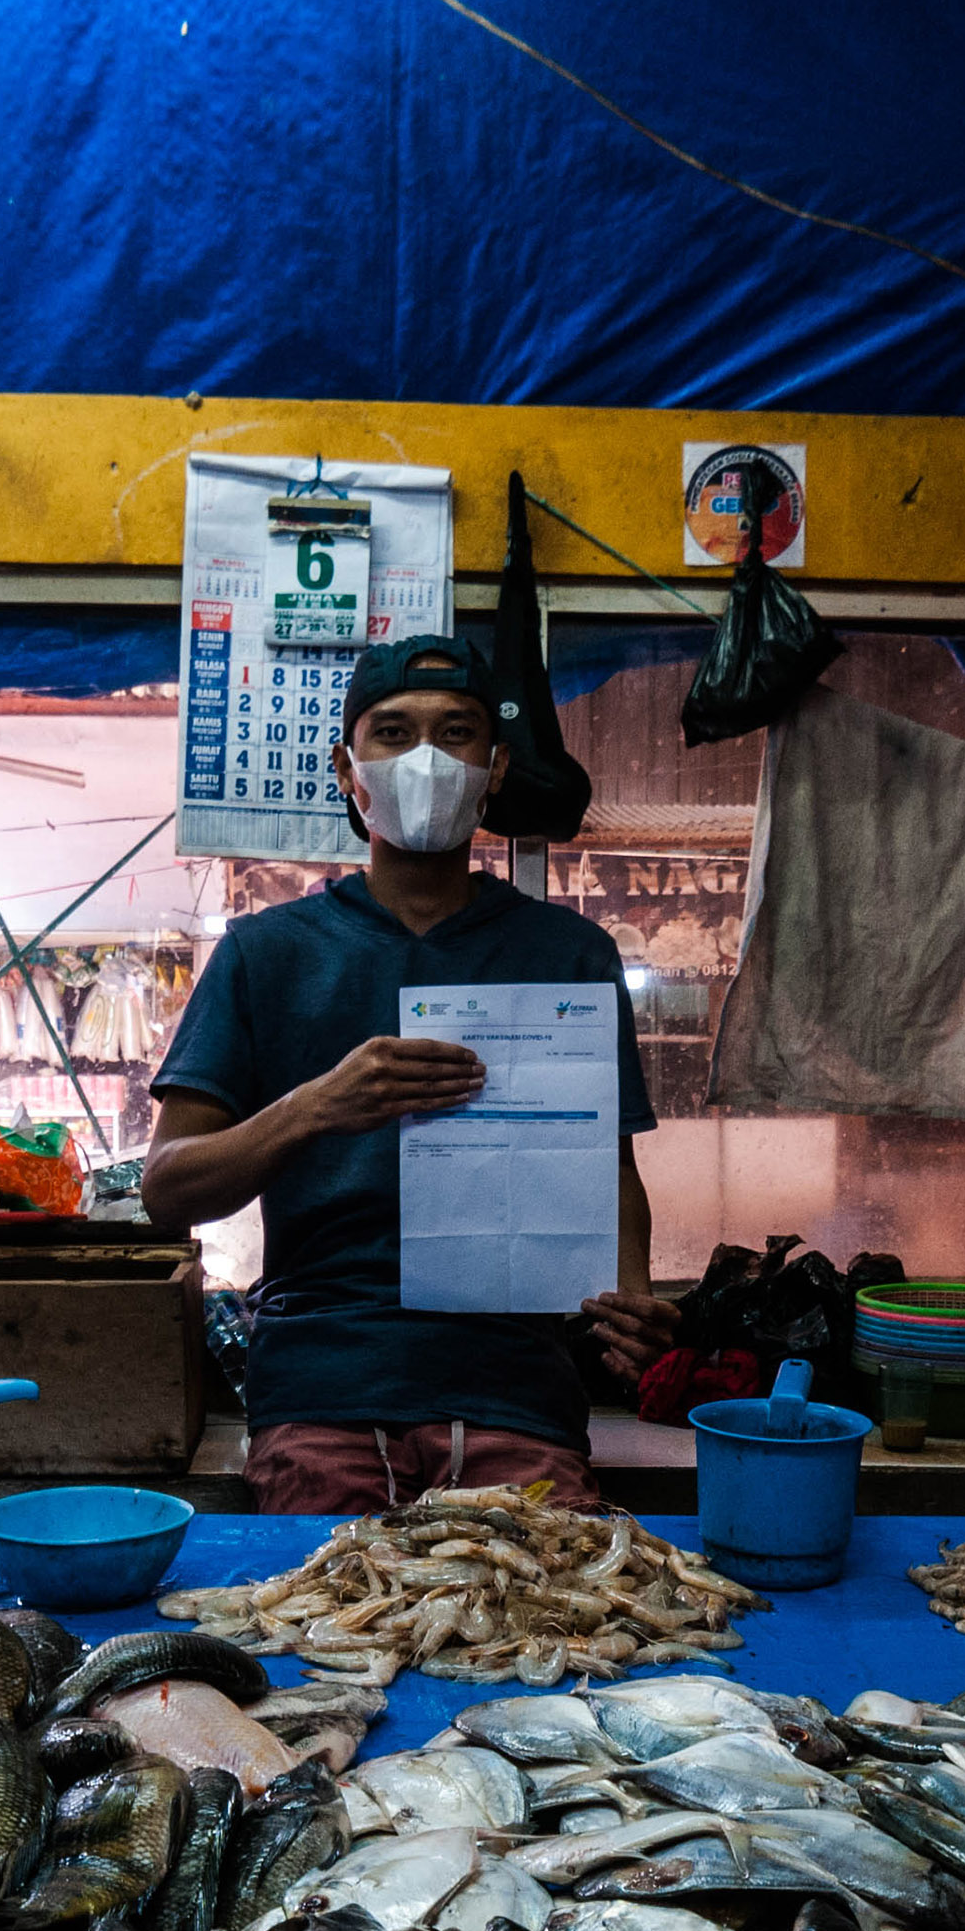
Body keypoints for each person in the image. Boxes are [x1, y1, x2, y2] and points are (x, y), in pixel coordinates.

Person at [142, 634, 681, 1510]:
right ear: (347, 769)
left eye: (456, 732)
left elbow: (609, 1170)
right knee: (331, 1624)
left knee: (547, 1627)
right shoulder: (264, 956)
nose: (426, 758)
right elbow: (168, 1190)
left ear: (495, 766)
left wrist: (632, 1300)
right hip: (325, 1392)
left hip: (516, 1391)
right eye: (392, 732)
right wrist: (316, 1107)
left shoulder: (570, 955)